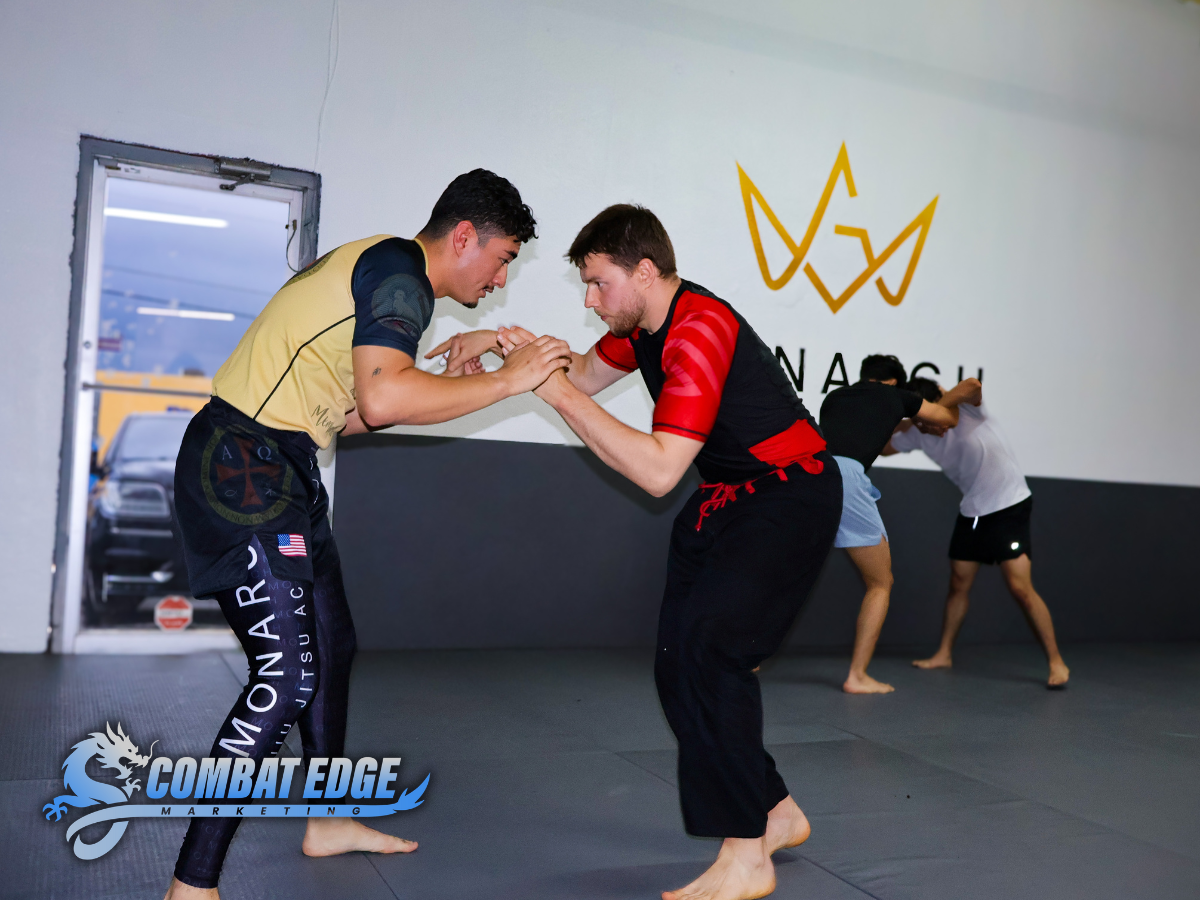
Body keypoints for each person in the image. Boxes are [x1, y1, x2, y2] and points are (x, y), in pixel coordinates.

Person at [165, 169, 571, 899]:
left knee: (332, 642)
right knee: (286, 678)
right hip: (243, 466)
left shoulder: (386, 268)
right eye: (504, 257)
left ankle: (325, 820)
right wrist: (509, 380)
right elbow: (385, 401)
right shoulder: (400, 275)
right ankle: (192, 884)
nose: (502, 278)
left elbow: (350, 415)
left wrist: (469, 375)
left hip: (282, 463)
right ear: (465, 236)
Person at [498, 204, 841, 900]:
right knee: (676, 664)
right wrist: (511, 359)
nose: (591, 303)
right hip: (730, 500)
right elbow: (583, 376)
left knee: (714, 650)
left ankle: (746, 857)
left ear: (645, 272)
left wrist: (553, 388)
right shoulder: (645, 327)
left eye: (598, 285)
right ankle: (774, 812)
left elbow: (657, 472)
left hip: (788, 495)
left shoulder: (699, 329)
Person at [884, 376, 1069, 688]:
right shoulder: (917, 431)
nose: (930, 430)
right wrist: (898, 424)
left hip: (1010, 505)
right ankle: (944, 653)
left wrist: (938, 411)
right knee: (958, 584)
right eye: (923, 423)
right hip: (973, 510)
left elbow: (972, 384)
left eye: (931, 422)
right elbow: (884, 449)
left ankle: (1057, 662)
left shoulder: (969, 411)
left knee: (1021, 587)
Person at [819, 357, 980, 694]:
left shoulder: (834, 398)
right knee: (880, 582)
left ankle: (750, 654)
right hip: (848, 479)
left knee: (788, 569)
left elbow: (874, 438)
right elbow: (948, 416)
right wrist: (938, 401)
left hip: (809, 476)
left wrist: (904, 424)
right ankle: (858, 676)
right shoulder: (896, 397)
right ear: (893, 382)